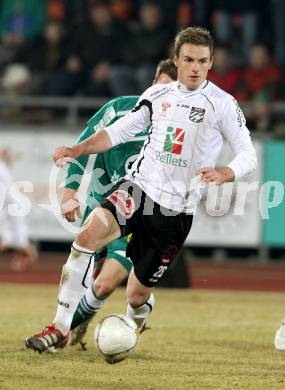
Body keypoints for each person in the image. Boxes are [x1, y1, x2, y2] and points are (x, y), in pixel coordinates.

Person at [26, 26, 257, 353]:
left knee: (135, 294)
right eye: (188, 59)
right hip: (137, 189)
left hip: (174, 213)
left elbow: (248, 153)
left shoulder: (222, 104)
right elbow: (117, 132)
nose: (194, 67)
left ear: (211, 62)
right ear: (176, 59)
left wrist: (225, 172)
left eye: (202, 61)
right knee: (86, 238)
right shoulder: (156, 96)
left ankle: (137, 316)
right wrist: (78, 150)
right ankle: (60, 327)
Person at [25, 59, 177, 352]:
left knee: (106, 285)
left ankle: (66, 332)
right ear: (152, 85)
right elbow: (84, 144)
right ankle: (63, 326)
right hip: (103, 203)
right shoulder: (121, 108)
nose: (163, 96)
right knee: (84, 257)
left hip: (141, 215)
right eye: (160, 88)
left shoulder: (177, 129)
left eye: (171, 92)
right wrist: (70, 191)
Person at [0, 149, 37, 272]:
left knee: (15, 241)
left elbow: (7, 158)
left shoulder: (3, 167)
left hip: (11, 207)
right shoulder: (2, 167)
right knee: (15, 241)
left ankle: (23, 261)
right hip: (9, 206)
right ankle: (23, 261)